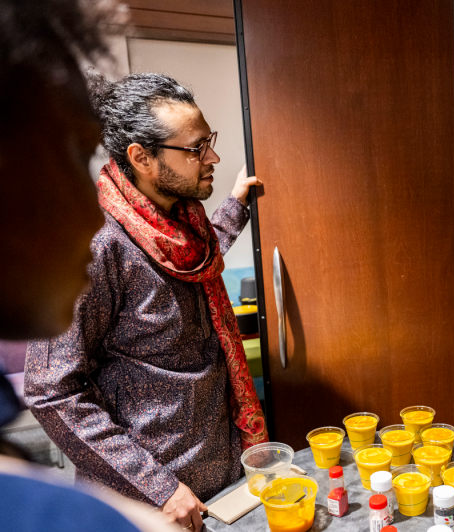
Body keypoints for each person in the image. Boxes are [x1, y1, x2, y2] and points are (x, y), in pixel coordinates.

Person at [24, 73, 268, 530]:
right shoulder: (96, 247)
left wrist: (236, 205)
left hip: (225, 483)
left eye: (209, 142)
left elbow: (189, 261)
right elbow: (51, 391)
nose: (212, 157)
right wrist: (159, 487)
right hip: (152, 504)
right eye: (196, 148)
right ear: (141, 158)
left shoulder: (185, 224)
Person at [0, 1, 177, 531]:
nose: (91, 213)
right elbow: (55, 388)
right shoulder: (113, 245)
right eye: (77, 153)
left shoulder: (186, 230)